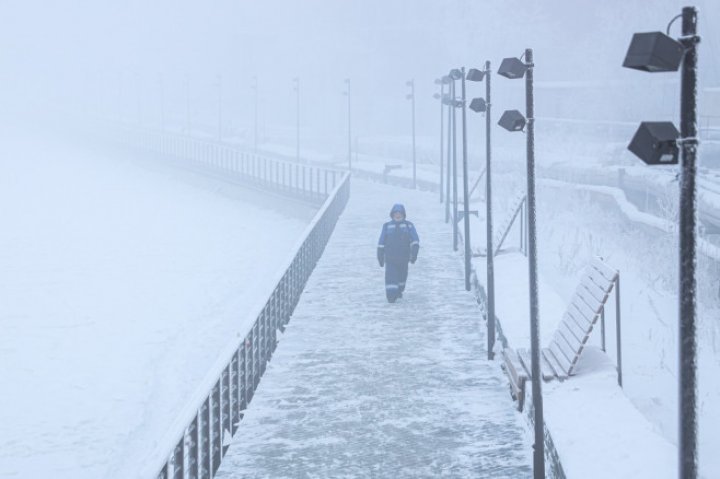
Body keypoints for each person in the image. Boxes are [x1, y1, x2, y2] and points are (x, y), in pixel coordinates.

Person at [377, 203, 420, 303]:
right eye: (396, 213)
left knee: (402, 278)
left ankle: (399, 290)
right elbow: (381, 241)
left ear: (403, 214)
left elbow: (415, 240)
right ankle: (391, 296)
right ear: (392, 214)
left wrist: (414, 253)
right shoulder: (387, 226)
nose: (398, 215)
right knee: (391, 278)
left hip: (404, 258)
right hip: (390, 258)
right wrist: (380, 255)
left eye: (400, 213)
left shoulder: (409, 225)